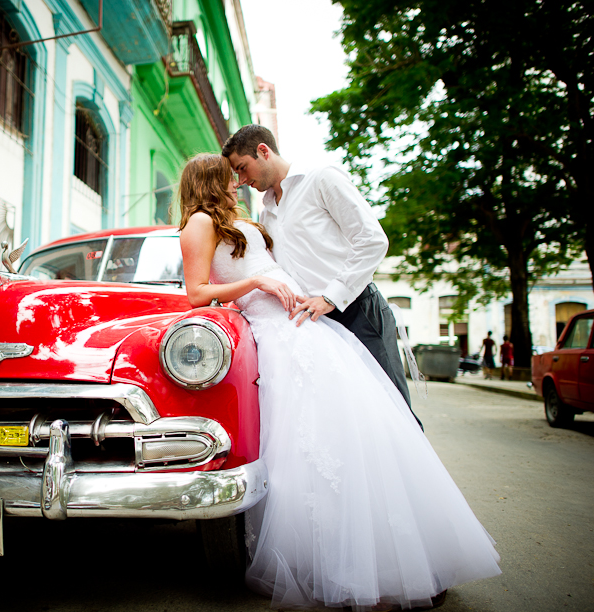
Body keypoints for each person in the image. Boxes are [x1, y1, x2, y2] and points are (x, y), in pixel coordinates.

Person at [178, 153, 501, 611]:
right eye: (229, 179)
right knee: (309, 447)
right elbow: (195, 293)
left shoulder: (255, 212)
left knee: (360, 431)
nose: (238, 184)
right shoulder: (198, 224)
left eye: (241, 174)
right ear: (208, 181)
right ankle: (346, 566)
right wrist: (258, 286)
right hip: (275, 335)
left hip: (304, 327)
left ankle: (401, 557)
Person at [222, 125, 421, 429]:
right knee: (352, 422)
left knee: (394, 415)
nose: (242, 180)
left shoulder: (322, 178)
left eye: (242, 168)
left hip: (359, 312)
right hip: (317, 326)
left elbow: (372, 240)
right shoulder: (268, 212)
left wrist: (330, 297)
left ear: (263, 151)